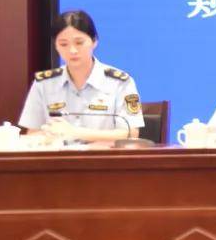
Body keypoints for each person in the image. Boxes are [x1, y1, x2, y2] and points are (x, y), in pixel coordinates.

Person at [18, 9, 145, 143]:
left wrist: (75, 132)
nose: (72, 50)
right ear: (56, 46)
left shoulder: (120, 82)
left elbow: (131, 133)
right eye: (63, 44)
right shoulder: (43, 84)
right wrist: (48, 136)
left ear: (94, 41)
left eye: (79, 43)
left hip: (102, 156)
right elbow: (32, 133)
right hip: (59, 156)